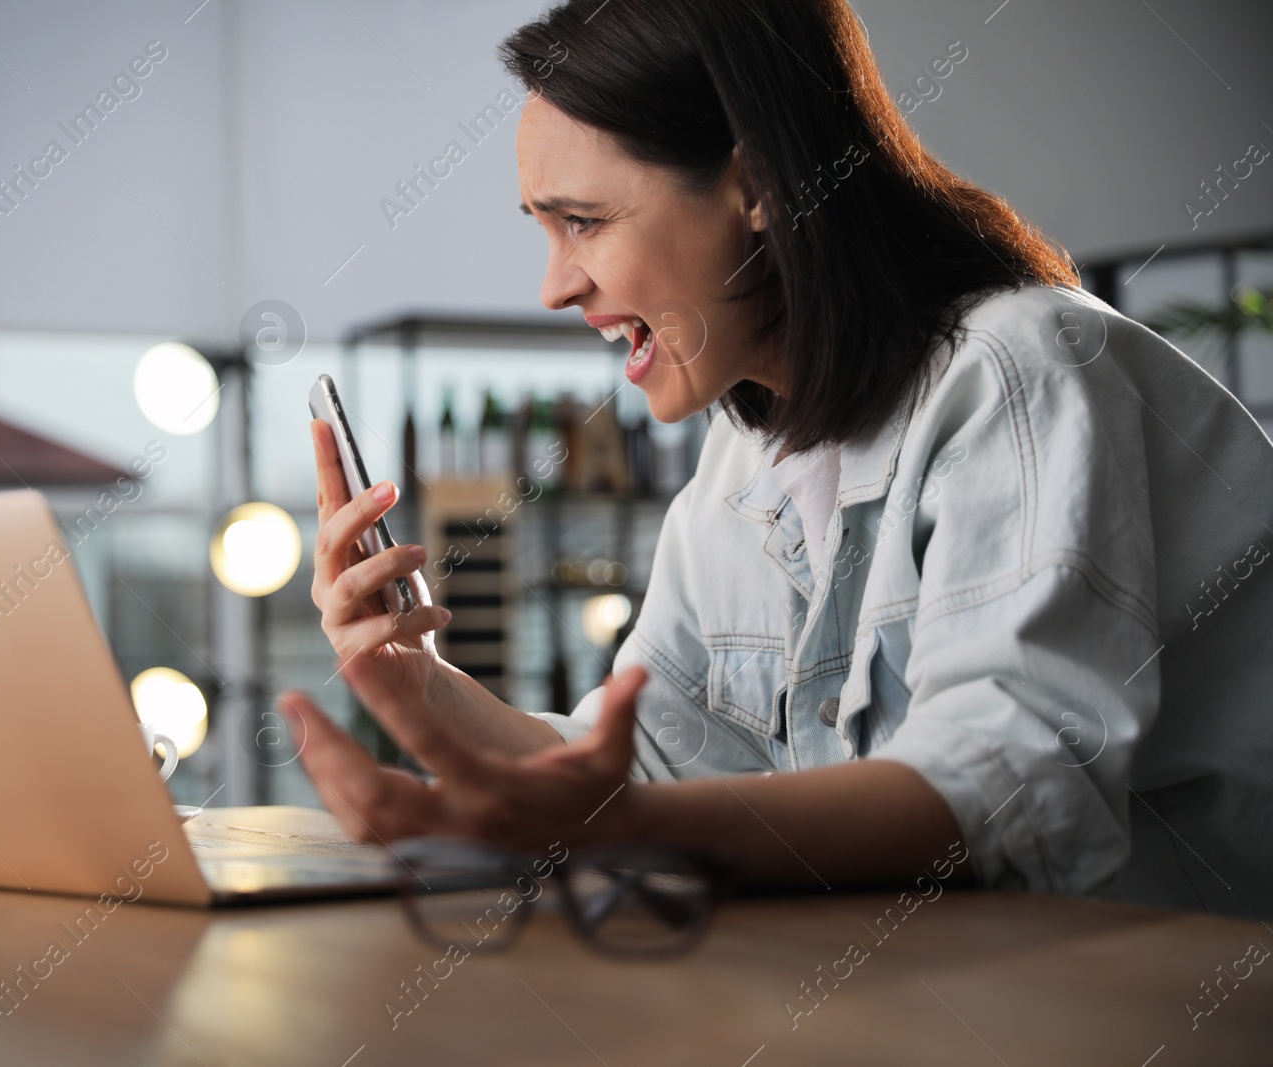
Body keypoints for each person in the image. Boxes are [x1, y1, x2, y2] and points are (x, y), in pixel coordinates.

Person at [279, 0, 1273, 917]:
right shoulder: (742, 453)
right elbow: (646, 769)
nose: (552, 286)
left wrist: (623, 835)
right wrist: (419, 676)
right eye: (543, 227)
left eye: (582, 221)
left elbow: (1002, 793)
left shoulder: (1024, 371)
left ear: (755, 186)